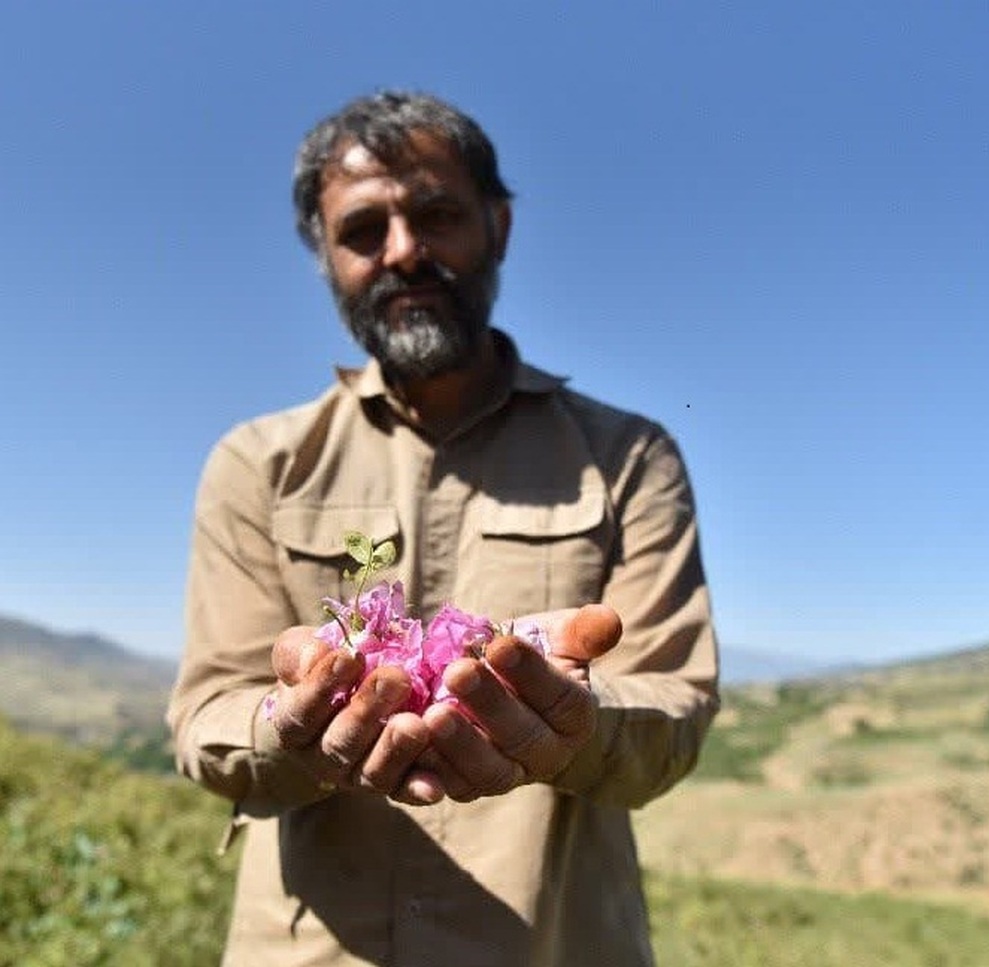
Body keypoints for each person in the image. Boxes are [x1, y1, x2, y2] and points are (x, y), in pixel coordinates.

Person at [167, 90, 719, 967]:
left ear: (497, 227)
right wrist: (290, 722)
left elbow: (673, 704)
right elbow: (206, 715)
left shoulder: (627, 457)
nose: (404, 252)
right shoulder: (257, 465)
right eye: (362, 231)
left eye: (437, 214)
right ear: (325, 256)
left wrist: (579, 715)